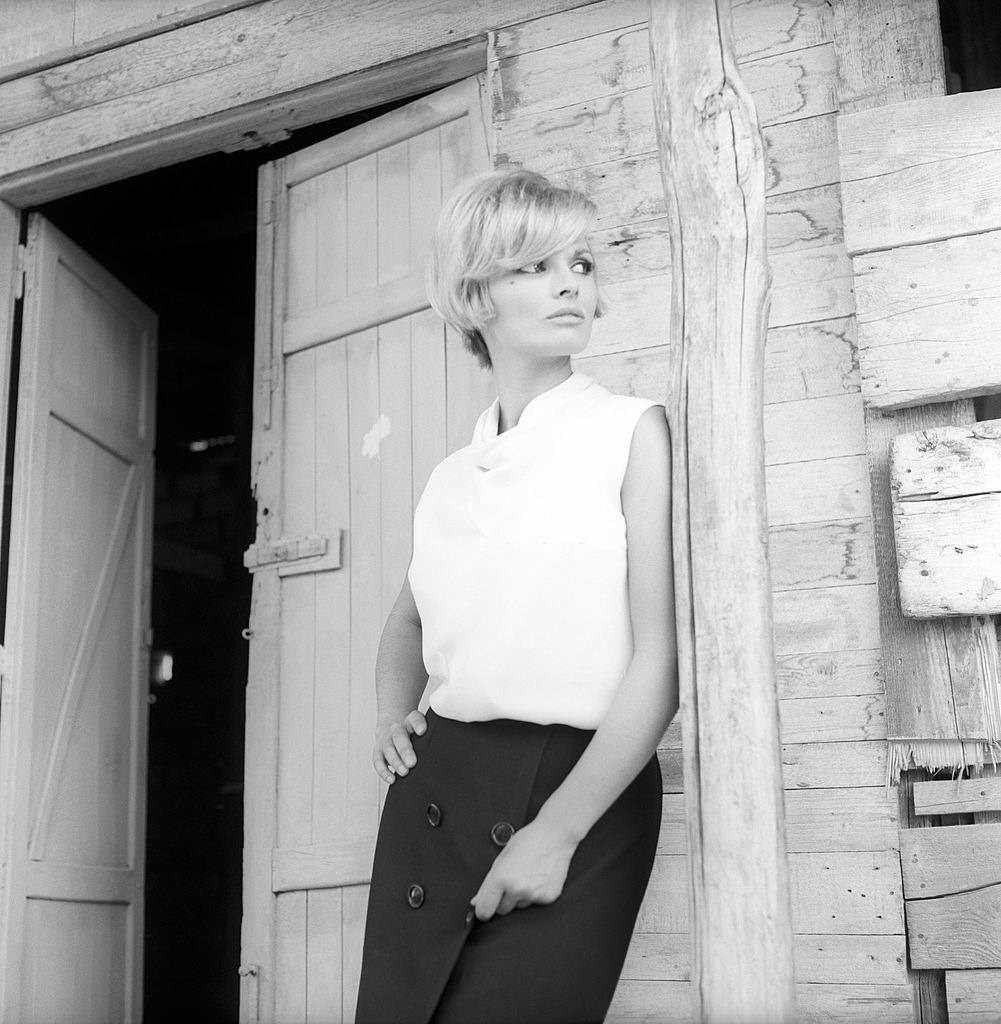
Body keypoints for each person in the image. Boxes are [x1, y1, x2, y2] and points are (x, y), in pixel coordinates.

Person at [354, 167, 679, 1024]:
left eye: (580, 262)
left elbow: (658, 663)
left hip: (577, 790)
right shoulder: (449, 477)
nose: (570, 280)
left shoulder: (631, 431)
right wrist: (394, 716)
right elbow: (407, 617)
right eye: (535, 266)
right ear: (474, 295)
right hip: (438, 793)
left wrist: (558, 830)